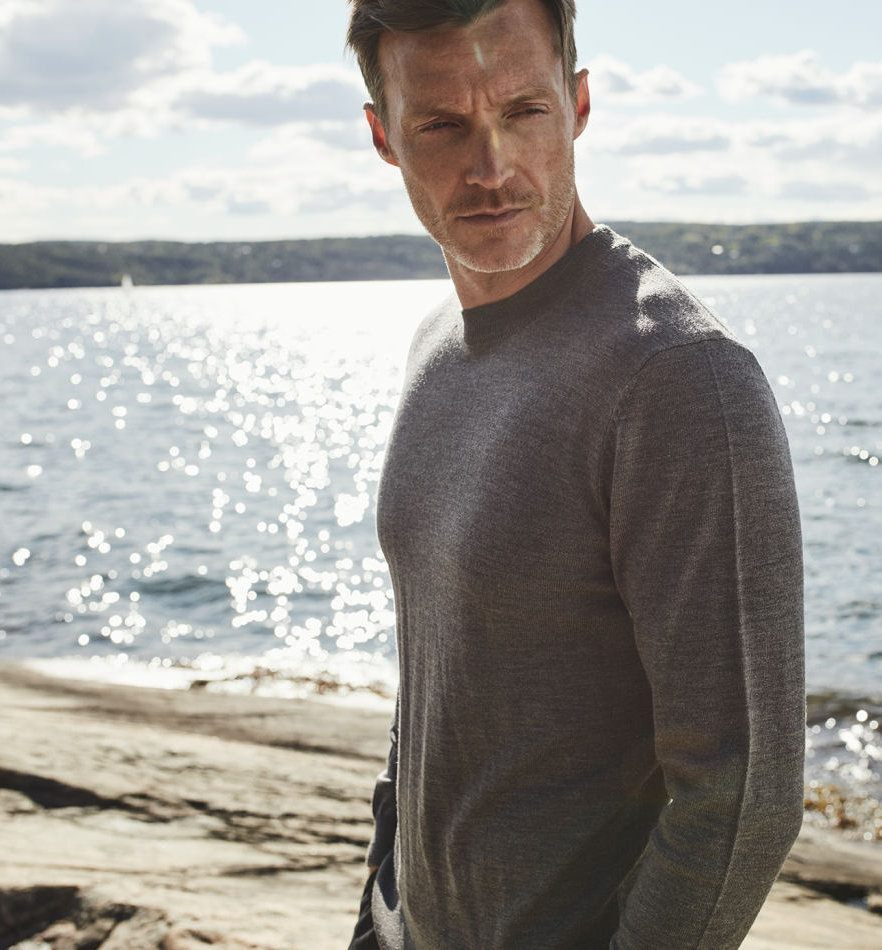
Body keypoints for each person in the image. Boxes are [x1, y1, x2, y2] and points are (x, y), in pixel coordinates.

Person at [344, 0, 805, 946]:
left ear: (578, 105)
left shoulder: (678, 377)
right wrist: (381, 898)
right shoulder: (436, 344)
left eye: (524, 112)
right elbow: (437, 672)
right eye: (442, 126)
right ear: (384, 137)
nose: (491, 168)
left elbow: (742, 794)